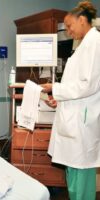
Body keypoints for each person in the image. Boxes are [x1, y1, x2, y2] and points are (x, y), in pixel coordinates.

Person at [41, 1, 100, 199]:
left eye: (69, 26)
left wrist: (55, 89)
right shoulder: (85, 45)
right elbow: (78, 86)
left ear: (82, 20)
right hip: (75, 119)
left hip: (82, 124)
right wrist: (60, 100)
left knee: (80, 176)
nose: (67, 31)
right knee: (73, 176)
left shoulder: (95, 42)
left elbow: (87, 85)